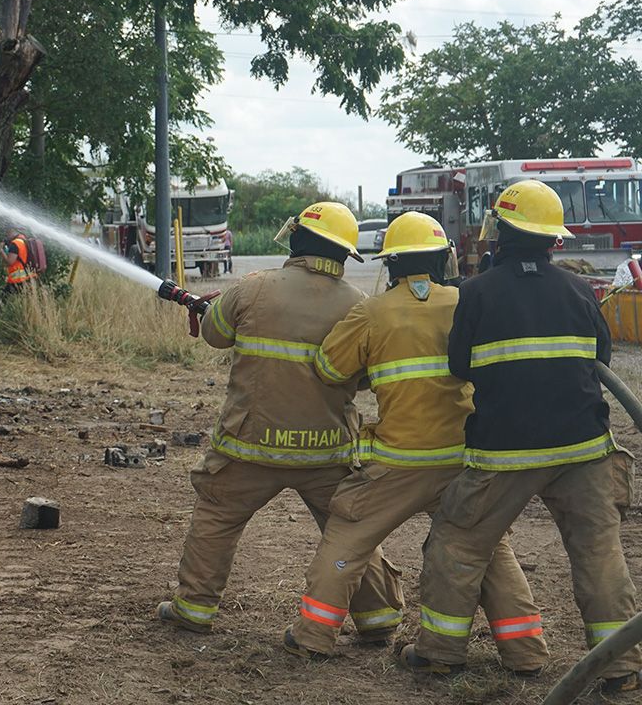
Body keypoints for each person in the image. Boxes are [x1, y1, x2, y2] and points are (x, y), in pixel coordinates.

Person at [401, 180, 641, 694]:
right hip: (584, 450)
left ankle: (440, 653)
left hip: (504, 452)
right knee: (599, 553)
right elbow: (601, 357)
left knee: (458, 543)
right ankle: (620, 668)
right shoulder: (579, 290)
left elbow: (460, 364)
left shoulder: (478, 292)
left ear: (502, 233)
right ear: (552, 239)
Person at [283, 212, 548, 674]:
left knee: (347, 536)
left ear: (392, 264)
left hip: (397, 462)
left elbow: (329, 371)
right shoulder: (466, 301)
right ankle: (525, 651)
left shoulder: (372, 311)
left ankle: (312, 635)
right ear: (443, 258)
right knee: (487, 549)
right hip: (465, 459)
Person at [156, 202, 402, 637]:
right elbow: (363, 379)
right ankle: (379, 617)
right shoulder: (360, 305)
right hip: (325, 452)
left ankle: (194, 608)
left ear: (296, 239)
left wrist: (214, 310)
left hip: (249, 446)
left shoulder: (253, 288)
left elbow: (214, 335)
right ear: (345, 253)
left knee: (216, 516)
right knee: (349, 530)